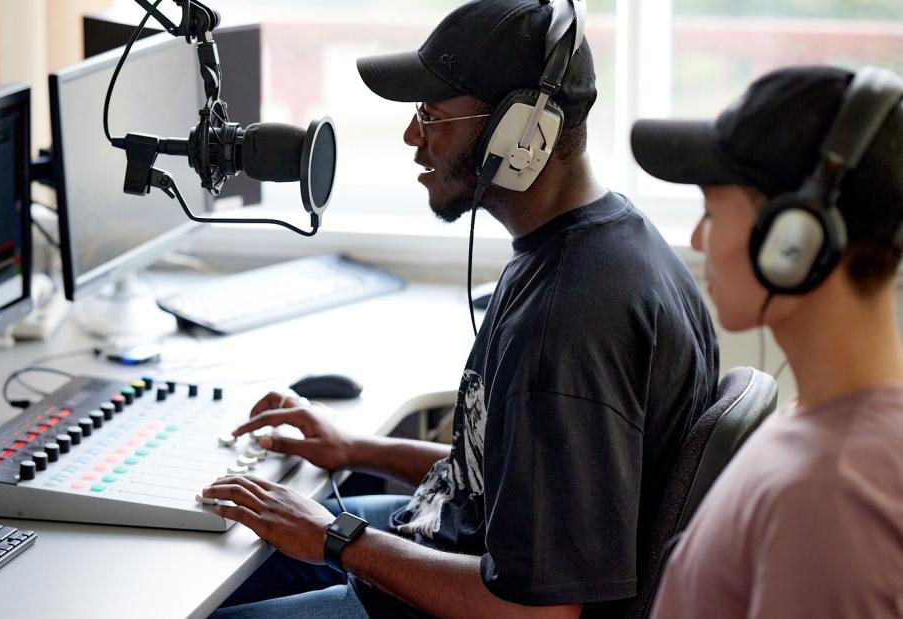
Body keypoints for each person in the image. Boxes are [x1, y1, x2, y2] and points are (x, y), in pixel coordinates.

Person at [204, 1, 718, 616]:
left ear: (521, 134)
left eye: (432, 116)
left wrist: (335, 538)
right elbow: (514, 477)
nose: (412, 136)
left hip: (478, 603)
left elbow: (535, 612)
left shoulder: (567, 322)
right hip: (464, 547)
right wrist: (357, 449)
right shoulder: (599, 241)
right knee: (231, 546)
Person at [632, 65, 903, 617]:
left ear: (793, 242)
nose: (696, 238)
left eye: (712, 209)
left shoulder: (831, 499)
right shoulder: (825, 425)